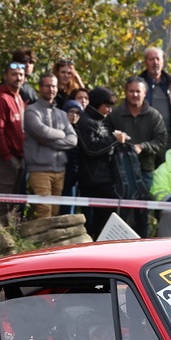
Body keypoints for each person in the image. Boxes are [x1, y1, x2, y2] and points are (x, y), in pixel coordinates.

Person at [109, 76, 168, 236]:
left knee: (142, 216)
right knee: (120, 215)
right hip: (120, 173)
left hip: (145, 171)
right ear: (125, 92)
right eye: (131, 91)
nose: (134, 94)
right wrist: (115, 138)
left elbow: (161, 140)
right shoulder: (115, 114)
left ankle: (143, 249)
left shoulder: (154, 115)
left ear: (145, 93)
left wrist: (143, 147)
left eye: (138, 91)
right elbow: (104, 135)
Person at [23, 72, 76, 219]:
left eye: (53, 86)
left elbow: (73, 140)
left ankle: (51, 242)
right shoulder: (31, 111)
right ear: (40, 88)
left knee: (54, 212)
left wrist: (51, 140)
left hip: (60, 170)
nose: (51, 89)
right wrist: (61, 133)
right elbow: (41, 132)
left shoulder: (61, 114)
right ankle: (43, 242)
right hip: (39, 169)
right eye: (47, 86)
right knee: (44, 211)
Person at [77, 87, 120, 239]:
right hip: (93, 180)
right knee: (96, 221)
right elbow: (91, 148)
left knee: (108, 218)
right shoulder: (86, 122)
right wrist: (114, 140)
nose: (109, 110)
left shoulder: (99, 122)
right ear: (98, 103)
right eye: (107, 106)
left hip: (104, 178)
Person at [0, 60, 28, 224]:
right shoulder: (1, 98)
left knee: (16, 203)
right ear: (5, 76)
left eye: (20, 75)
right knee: (4, 202)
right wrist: (7, 156)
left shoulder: (19, 98)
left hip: (20, 157)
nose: (17, 78)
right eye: (13, 74)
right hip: (5, 158)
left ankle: (13, 237)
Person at [137, 45, 171, 141]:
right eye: (151, 59)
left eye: (158, 59)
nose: (155, 62)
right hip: (147, 141)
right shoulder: (137, 86)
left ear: (163, 62)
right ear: (145, 62)